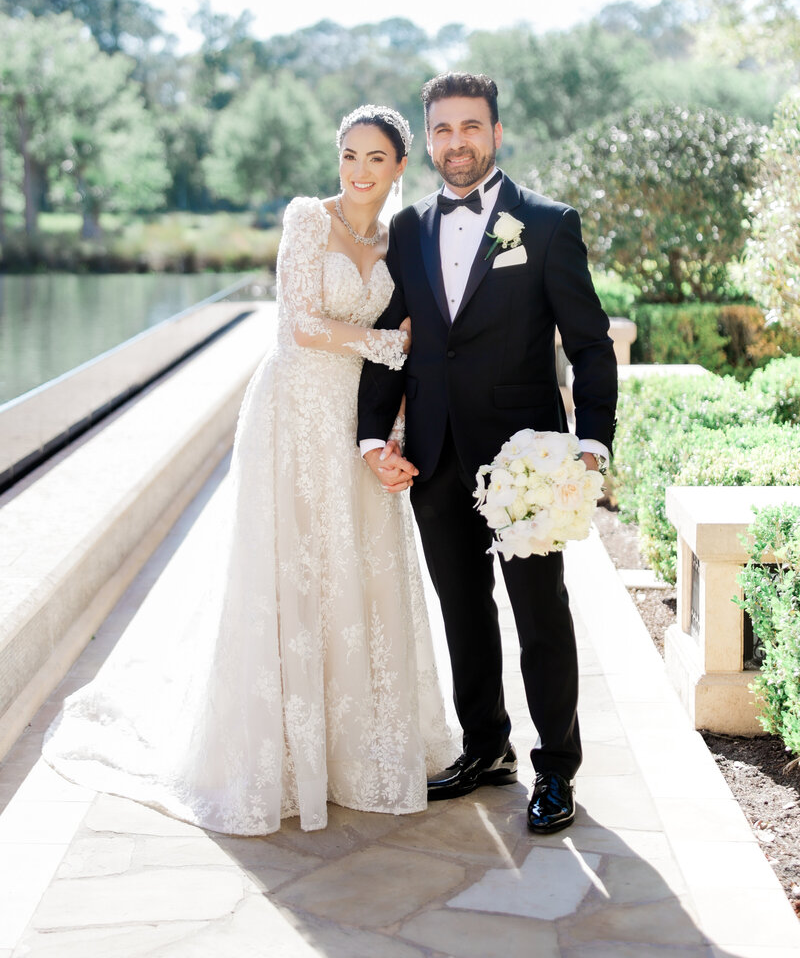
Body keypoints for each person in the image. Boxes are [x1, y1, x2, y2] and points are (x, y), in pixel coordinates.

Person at [44, 105, 453, 836]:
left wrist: (388, 421)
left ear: (398, 167)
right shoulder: (306, 219)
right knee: (289, 567)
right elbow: (297, 324)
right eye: (349, 155)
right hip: (292, 412)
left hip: (352, 420)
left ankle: (354, 748)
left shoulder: (402, 239)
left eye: (375, 159)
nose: (358, 172)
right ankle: (282, 757)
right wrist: (387, 342)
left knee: (354, 566)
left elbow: (413, 342)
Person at [357, 73, 617, 834]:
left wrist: (591, 444)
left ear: (495, 134)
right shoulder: (406, 230)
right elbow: (388, 341)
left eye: (470, 127)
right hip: (434, 456)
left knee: (541, 616)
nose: (456, 142)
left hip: (523, 463)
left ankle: (557, 771)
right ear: (428, 140)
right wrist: (376, 436)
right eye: (442, 129)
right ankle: (485, 748)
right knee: (462, 611)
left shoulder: (546, 223)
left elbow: (591, 345)